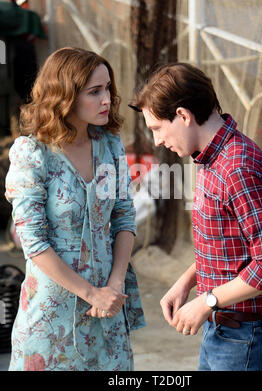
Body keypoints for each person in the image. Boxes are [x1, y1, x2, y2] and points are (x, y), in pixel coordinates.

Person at [130, 62, 262, 371]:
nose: (157, 141)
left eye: (157, 128)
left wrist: (207, 301)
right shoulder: (212, 159)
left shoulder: (237, 167)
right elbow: (232, 245)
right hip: (226, 329)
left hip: (249, 335)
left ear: (183, 115)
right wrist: (187, 281)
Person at [5, 47, 146, 371]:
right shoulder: (32, 153)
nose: (107, 99)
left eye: (108, 88)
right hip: (51, 319)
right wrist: (91, 294)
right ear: (64, 95)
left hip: (108, 311)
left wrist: (114, 284)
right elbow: (33, 242)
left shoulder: (110, 144)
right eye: (94, 91)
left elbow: (124, 216)